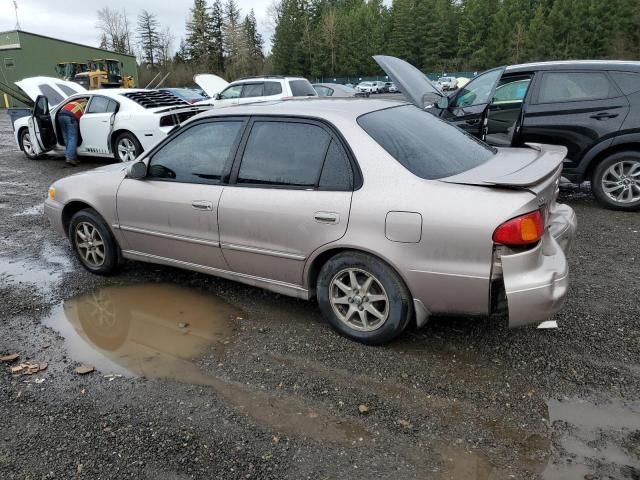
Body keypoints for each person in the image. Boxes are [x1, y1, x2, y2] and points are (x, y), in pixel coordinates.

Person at [58, 98, 87, 166]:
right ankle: (70, 158)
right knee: (72, 138)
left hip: (60, 115)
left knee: (66, 138)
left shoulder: (76, 101)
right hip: (71, 117)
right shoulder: (87, 104)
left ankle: (72, 157)